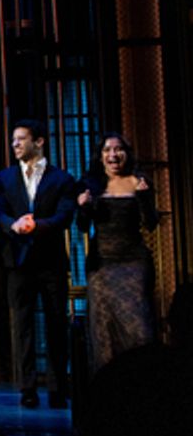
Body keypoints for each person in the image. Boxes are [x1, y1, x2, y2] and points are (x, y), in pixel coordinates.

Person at [0, 119, 77, 408]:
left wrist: (35, 225)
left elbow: (64, 216)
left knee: (55, 323)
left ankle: (57, 386)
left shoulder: (62, 179)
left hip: (50, 260)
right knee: (22, 326)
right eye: (13, 139)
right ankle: (26, 387)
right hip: (17, 261)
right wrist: (14, 225)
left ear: (38, 142)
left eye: (21, 139)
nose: (15, 144)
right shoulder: (3, 178)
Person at [77, 133, 160, 373]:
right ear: (101, 156)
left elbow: (151, 223)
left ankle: (145, 378)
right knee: (104, 327)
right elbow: (82, 226)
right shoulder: (90, 184)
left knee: (140, 326)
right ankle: (109, 386)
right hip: (102, 263)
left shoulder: (139, 181)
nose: (113, 154)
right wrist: (83, 207)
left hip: (133, 261)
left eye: (118, 149)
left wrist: (144, 198)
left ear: (126, 153)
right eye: (107, 150)